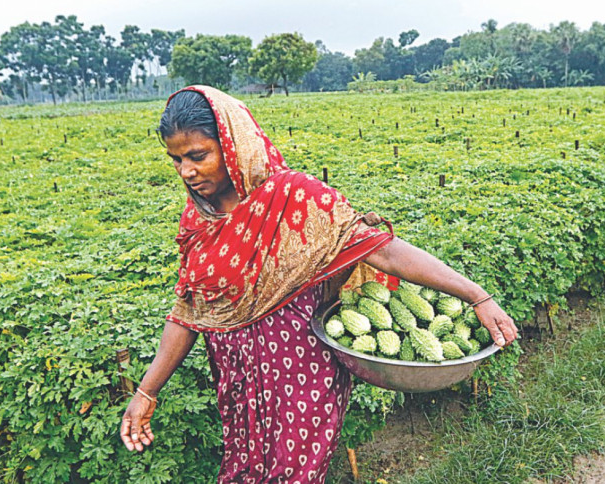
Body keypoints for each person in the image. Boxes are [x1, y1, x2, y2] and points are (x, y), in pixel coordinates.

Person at [119, 85, 518, 483]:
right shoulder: (198, 220)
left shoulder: (294, 196)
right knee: (244, 469)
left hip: (300, 370)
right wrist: (146, 391)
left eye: (198, 156)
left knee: (295, 474)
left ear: (233, 144)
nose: (186, 171)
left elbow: (383, 250)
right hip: (237, 376)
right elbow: (190, 311)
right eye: (175, 159)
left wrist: (475, 295)